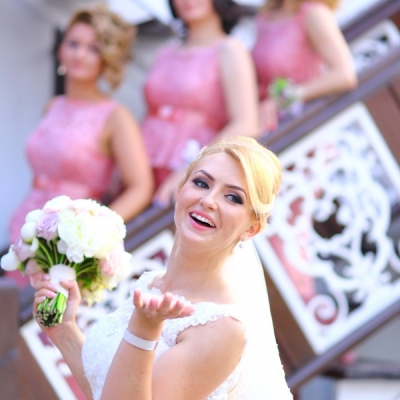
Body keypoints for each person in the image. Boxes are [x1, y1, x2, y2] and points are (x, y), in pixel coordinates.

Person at [31, 136, 293, 399]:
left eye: (233, 198)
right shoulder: (152, 282)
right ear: (181, 188)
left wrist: (144, 330)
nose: (209, 200)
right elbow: (106, 389)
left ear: (251, 228)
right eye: (201, 183)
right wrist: (64, 331)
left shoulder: (222, 328)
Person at [8, 6, 154, 245]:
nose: (80, 54)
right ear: (61, 48)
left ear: (106, 57)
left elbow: (141, 187)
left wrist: (95, 230)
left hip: (71, 238)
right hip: (26, 225)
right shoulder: (53, 106)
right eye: (73, 44)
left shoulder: (116, 117)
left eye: (93, 48)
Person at [142, 0, 260, 206]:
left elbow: (246, 123)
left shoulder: (230, 49)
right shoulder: (165, 52)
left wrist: (194, 167)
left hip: (190, 165)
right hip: (143, 162)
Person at [252, 0, 358, 132]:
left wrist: (285, 97)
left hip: (304, 124)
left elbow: (344, 75)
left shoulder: (314, 13)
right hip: (270, 125)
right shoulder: (266, 16)